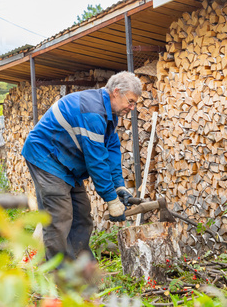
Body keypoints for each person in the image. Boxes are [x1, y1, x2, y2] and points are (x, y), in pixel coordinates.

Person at [22, 71, 142, 261]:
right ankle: (60, 276)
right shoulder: (93, 111)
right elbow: (96, 160)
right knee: (59, 217)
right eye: (131, 101)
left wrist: (118, 186)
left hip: (66, 162)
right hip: (46, 157)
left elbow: (111, 149)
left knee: (81, 215)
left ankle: (82, 268)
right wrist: (111, 200)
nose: (132, 107)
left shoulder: (109, 112)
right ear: (116, 92)